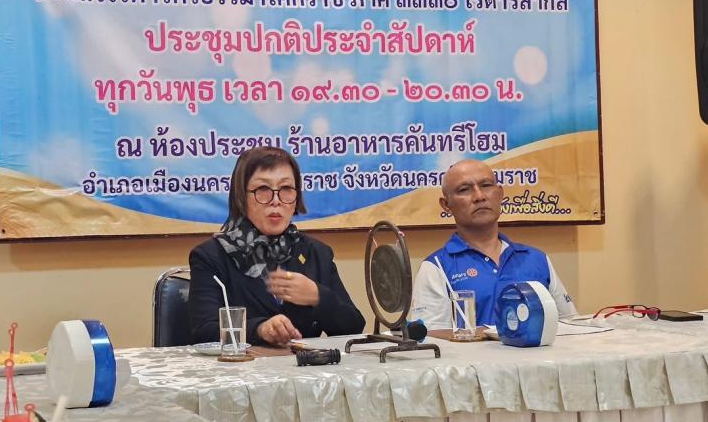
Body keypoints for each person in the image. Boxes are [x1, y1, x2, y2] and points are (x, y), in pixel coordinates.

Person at [188, 147, 366, 345]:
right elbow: (204, 331)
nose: (275, 201)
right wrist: (259, 329)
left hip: (302, 364)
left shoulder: (315, 252)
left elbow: (354, 327)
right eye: (263, 189)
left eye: (286, 189)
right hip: (244, 364)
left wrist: (317, 296)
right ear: (241, 196)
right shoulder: (211, 256)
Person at [409, 158, 577, 330]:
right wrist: (495, 335)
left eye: (486, 185)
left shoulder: (537, 259)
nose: (479, 196)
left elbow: (570, 324)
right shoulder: (436, 267)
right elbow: (430, 335)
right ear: (446, 205)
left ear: (500, 194)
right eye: (464, 189)